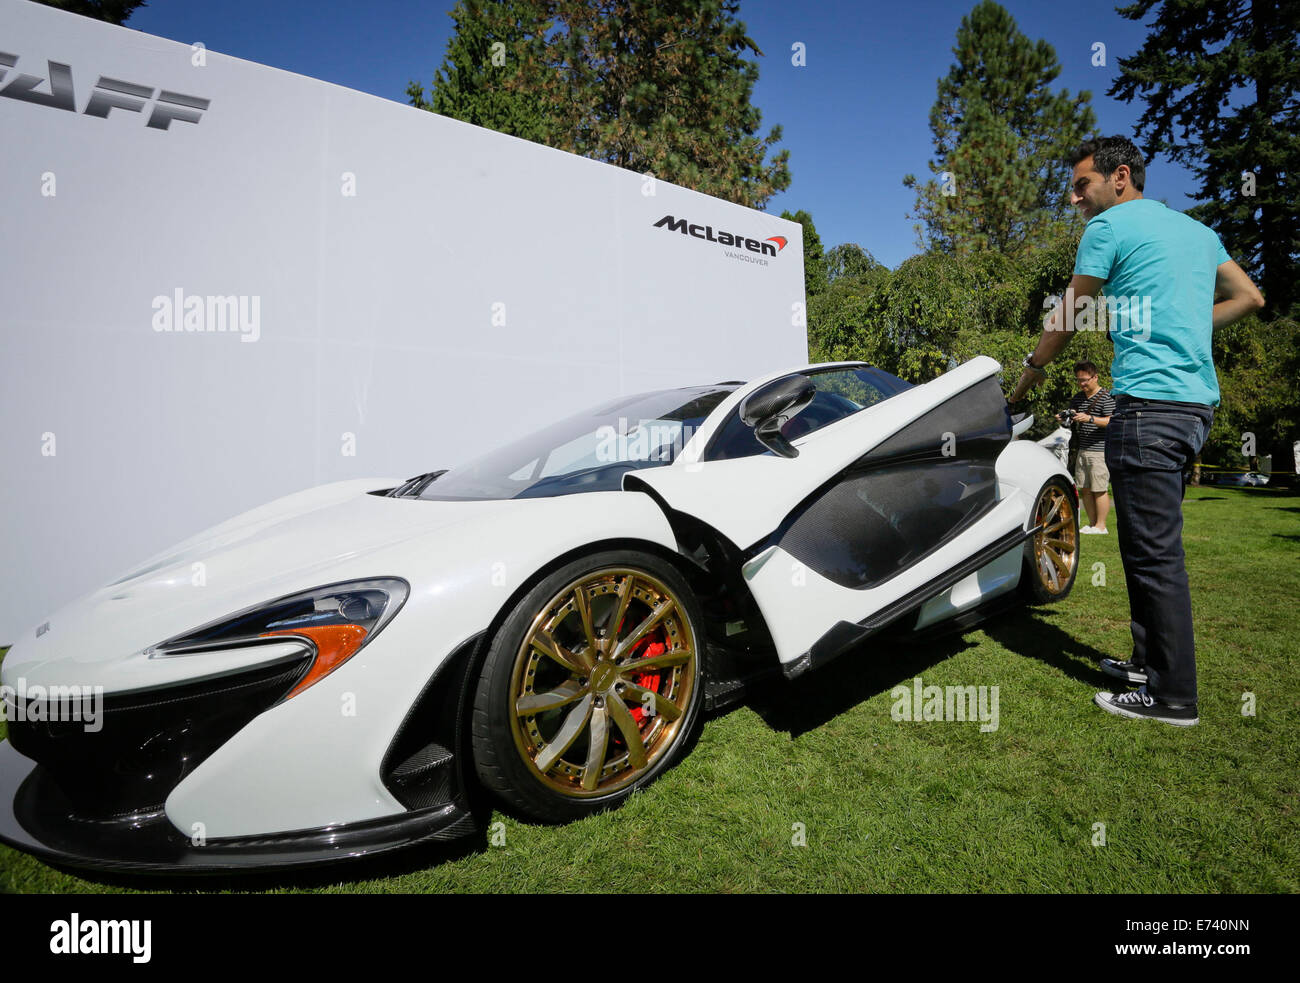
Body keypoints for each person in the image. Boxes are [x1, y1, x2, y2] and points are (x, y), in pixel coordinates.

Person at [1008, 135, 1264, 726]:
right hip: (1194, 408)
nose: (1075, 199)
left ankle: (1172, 697)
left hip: (1149, 408)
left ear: (1119, 177)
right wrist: (1186, 327)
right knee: (1146, 547)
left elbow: (1069, 313)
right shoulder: (1198, 233)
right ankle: (1147, 666)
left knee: (1153, 556)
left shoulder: (1108, 228)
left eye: (1082, 185)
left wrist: (1030, 374)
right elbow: (1250, 297)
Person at [1067, 361, 1115, 534]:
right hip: (1083, 449)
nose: (1082, 384)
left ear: (1095, 377)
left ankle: (1101, 526)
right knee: (1085, 488)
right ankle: (1092, 524)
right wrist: (1065, 416)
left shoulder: (1106, 397)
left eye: (1085, 380)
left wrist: (1090, 419)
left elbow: (1112, 422)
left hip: (1100, 451)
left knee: (1099, 489)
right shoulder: (1079, 397)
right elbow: (1071, 413)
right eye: (1079, 380)